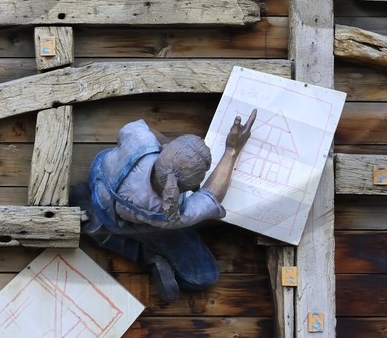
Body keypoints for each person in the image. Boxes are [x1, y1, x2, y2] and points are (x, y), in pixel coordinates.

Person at [71, 109, 257, 302]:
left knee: (95, 202)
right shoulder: (169, 213)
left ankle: (91, 209)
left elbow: (140, 128)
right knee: (204, 275)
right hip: (116, 218)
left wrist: (172, 151)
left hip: (100, 176)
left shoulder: (142, 141)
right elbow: (211, 196)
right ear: (190, 187)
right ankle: (145, 255)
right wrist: (231, 150)